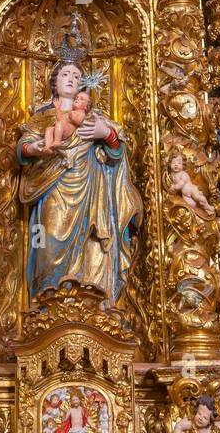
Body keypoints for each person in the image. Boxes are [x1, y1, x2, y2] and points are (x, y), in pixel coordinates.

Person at [17, 59, 142, 304]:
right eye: (65, 73)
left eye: (76, 75)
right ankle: (47, 304)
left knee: (93, 244)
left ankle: (91, 303)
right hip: (52, 188)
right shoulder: (43, 117)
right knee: (48, 239)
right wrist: (35, 149)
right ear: (54, 81)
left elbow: (118, 153)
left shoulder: (95, 118)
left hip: (92, 193)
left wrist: (105, 134)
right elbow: (22, 148)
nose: (71, 78)